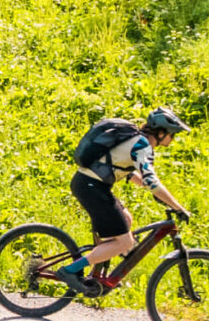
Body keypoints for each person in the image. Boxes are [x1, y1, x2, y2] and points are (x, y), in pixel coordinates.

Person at [56, 107, 192, 292]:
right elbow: (152, 180)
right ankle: (70, 271)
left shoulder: (134, 139)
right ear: (161, 133)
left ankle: (97, 277)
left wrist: (147, 186)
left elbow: (123, 167)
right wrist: (178, 207)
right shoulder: (142, 145)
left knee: (126, 220)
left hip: (91, 185)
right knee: (125, 243)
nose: (172, 139)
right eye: (172, 135)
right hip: (92, 188)